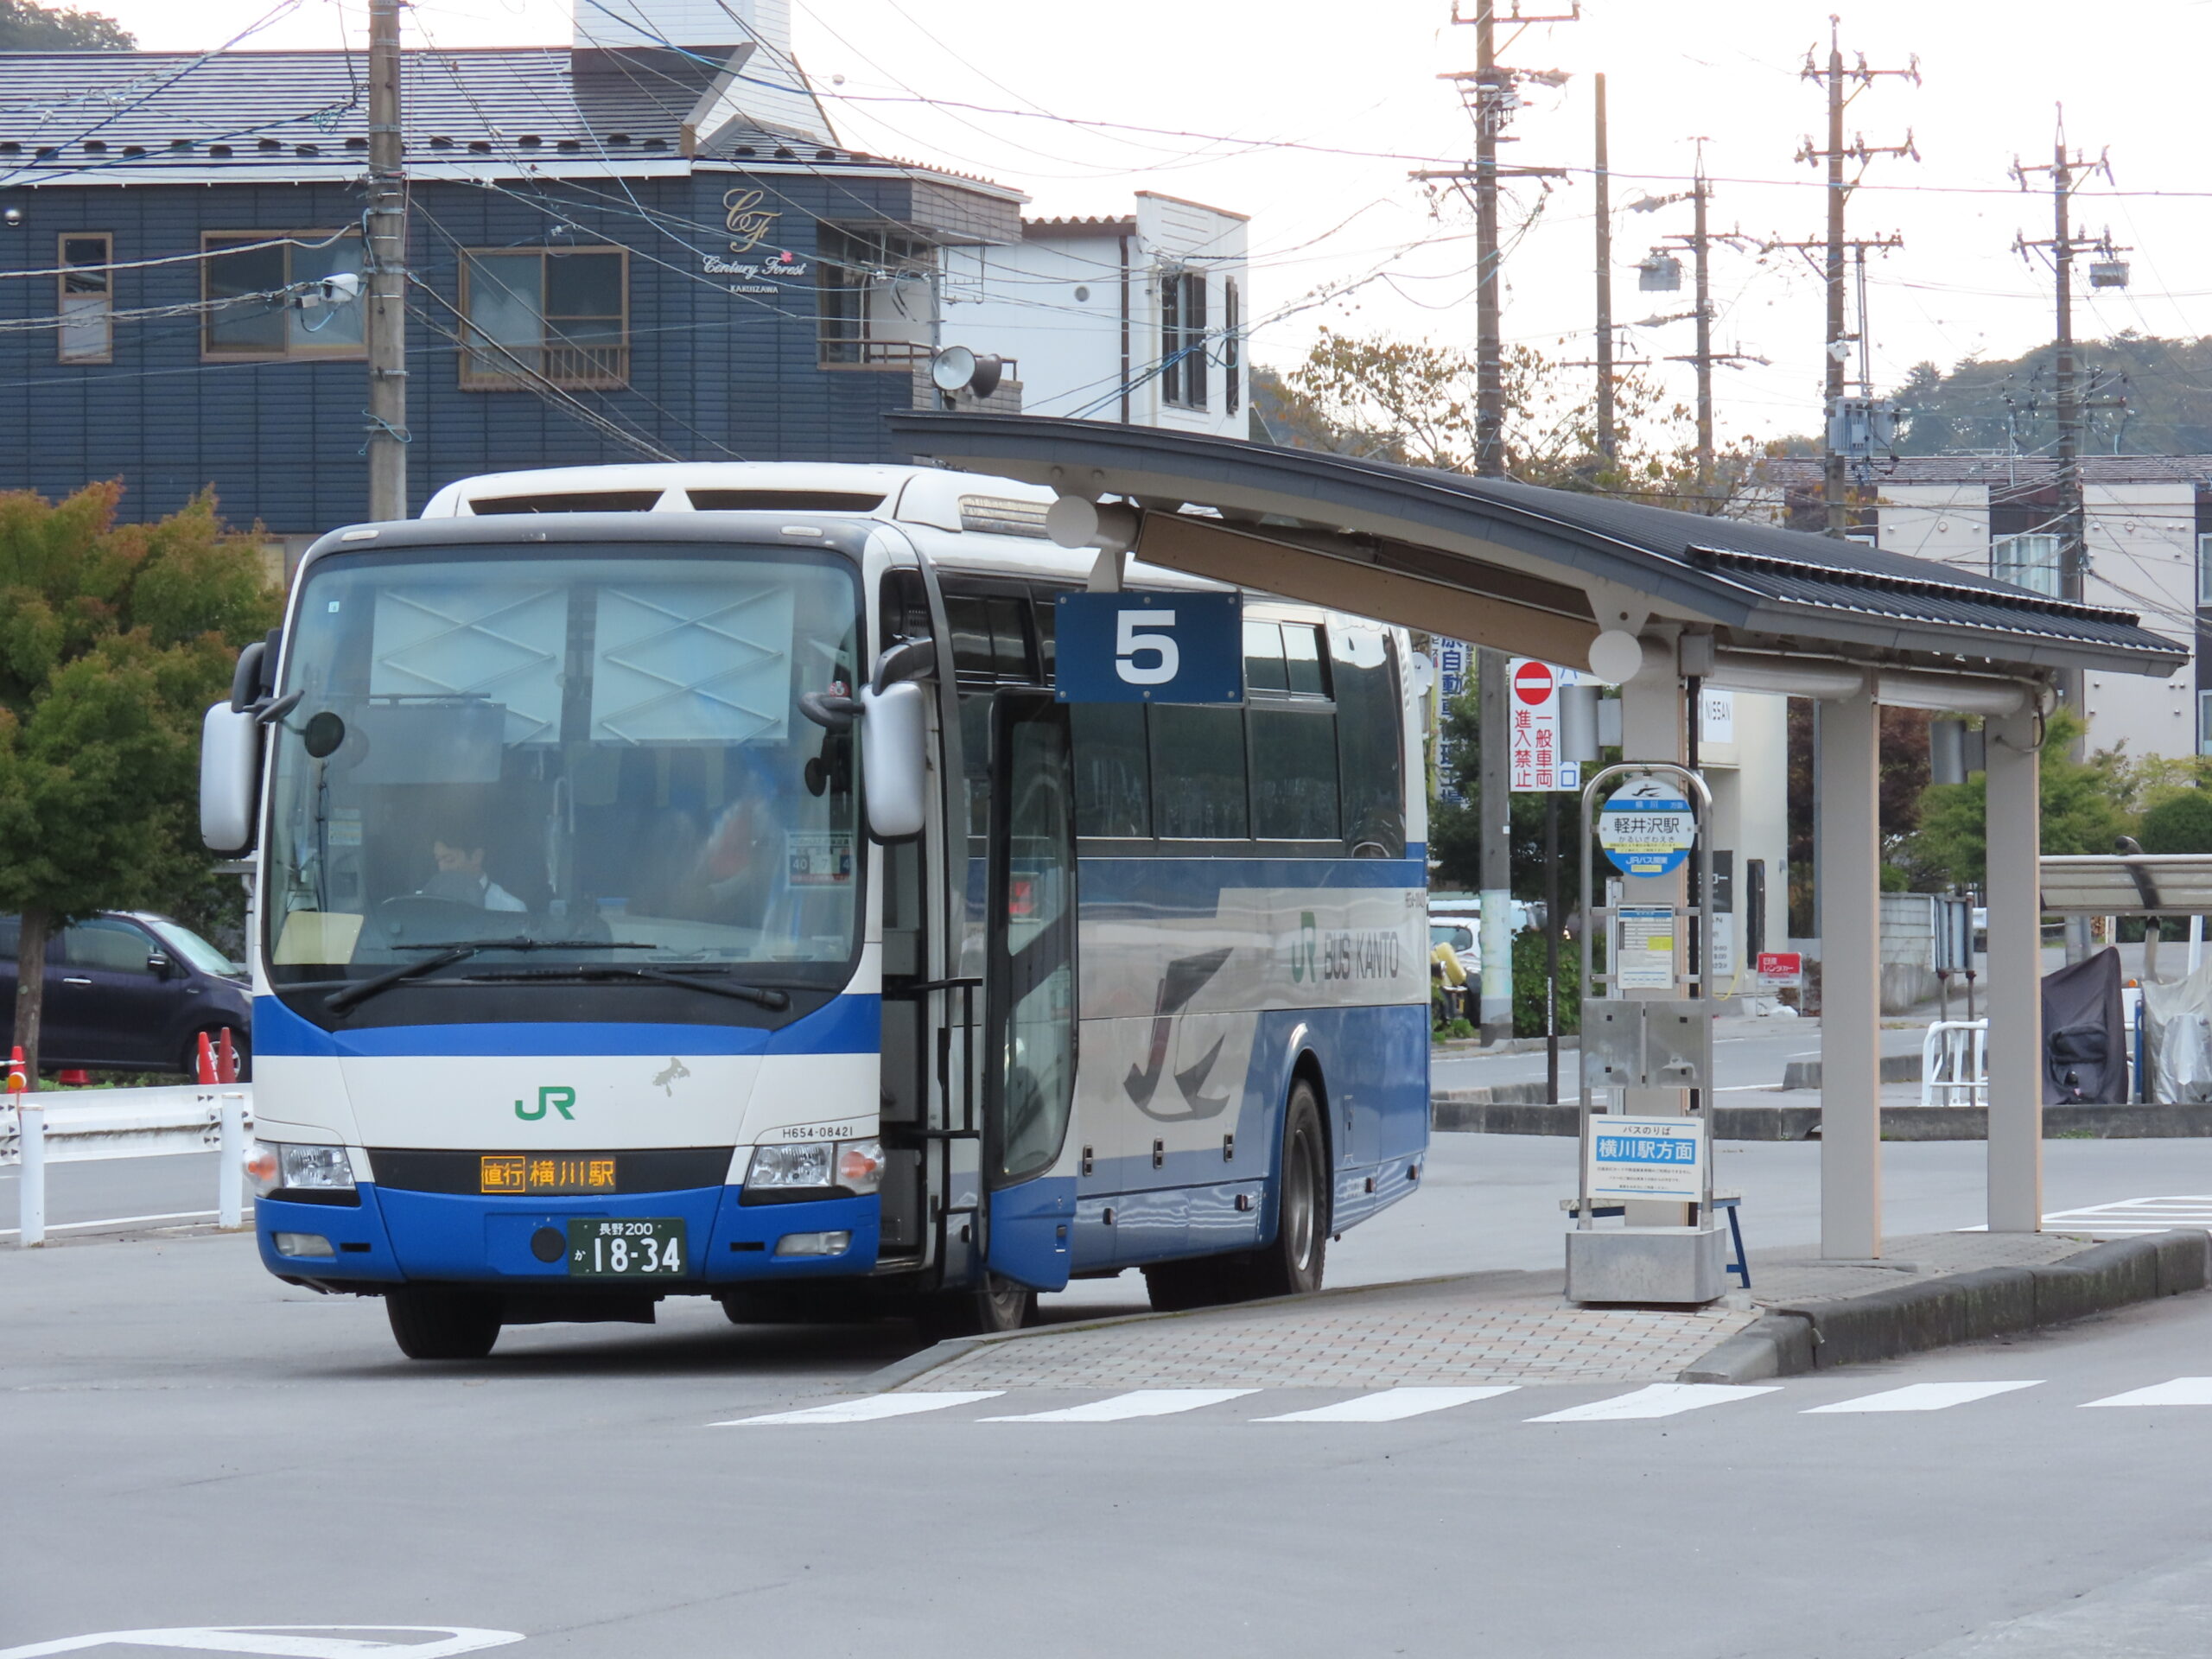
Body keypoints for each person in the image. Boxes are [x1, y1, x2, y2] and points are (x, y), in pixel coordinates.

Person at [423, 830, 527, 912]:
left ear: (476, 857)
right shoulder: (428, 905)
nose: (442, 868)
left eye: (449, 860)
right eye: (438, 860)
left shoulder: (510, 910)